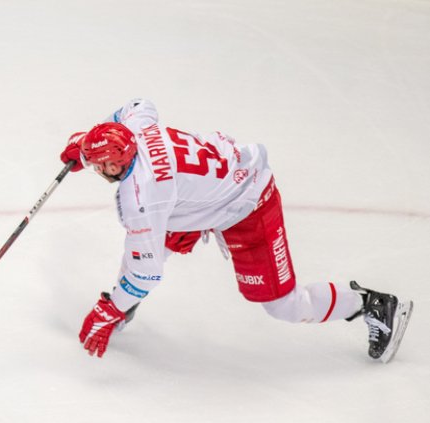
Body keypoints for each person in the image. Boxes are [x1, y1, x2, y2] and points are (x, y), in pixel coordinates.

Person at [60, 98, 413, 362]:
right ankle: (126, 304)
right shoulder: (136, 130)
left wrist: (111, 309)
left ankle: (374, 305)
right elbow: (138, 105)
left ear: (113, 163)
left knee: (283, 305)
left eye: (98, 166)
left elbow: (146, 273)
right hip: (201, 193)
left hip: (247, 204)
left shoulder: (140, 197)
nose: (95, 170)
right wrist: (87, 142)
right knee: (143, 247)